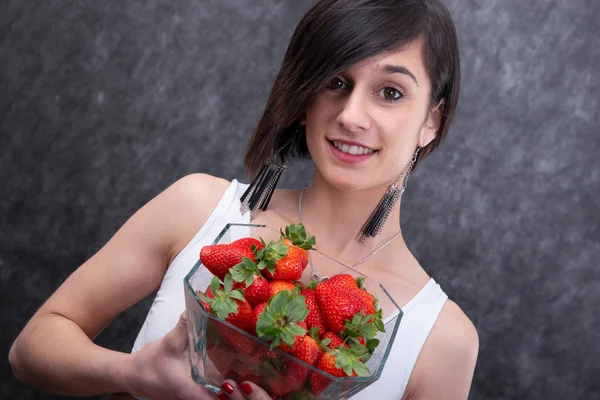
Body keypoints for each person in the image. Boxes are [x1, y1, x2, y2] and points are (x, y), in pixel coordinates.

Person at [9, 0, 479, 399]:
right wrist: (132, 374)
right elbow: (31, 349)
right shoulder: (198, 209)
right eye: (335, 82)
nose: (351, 115)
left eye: (390, 92)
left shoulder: (442, 339)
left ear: (431, 121)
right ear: (304, 95)